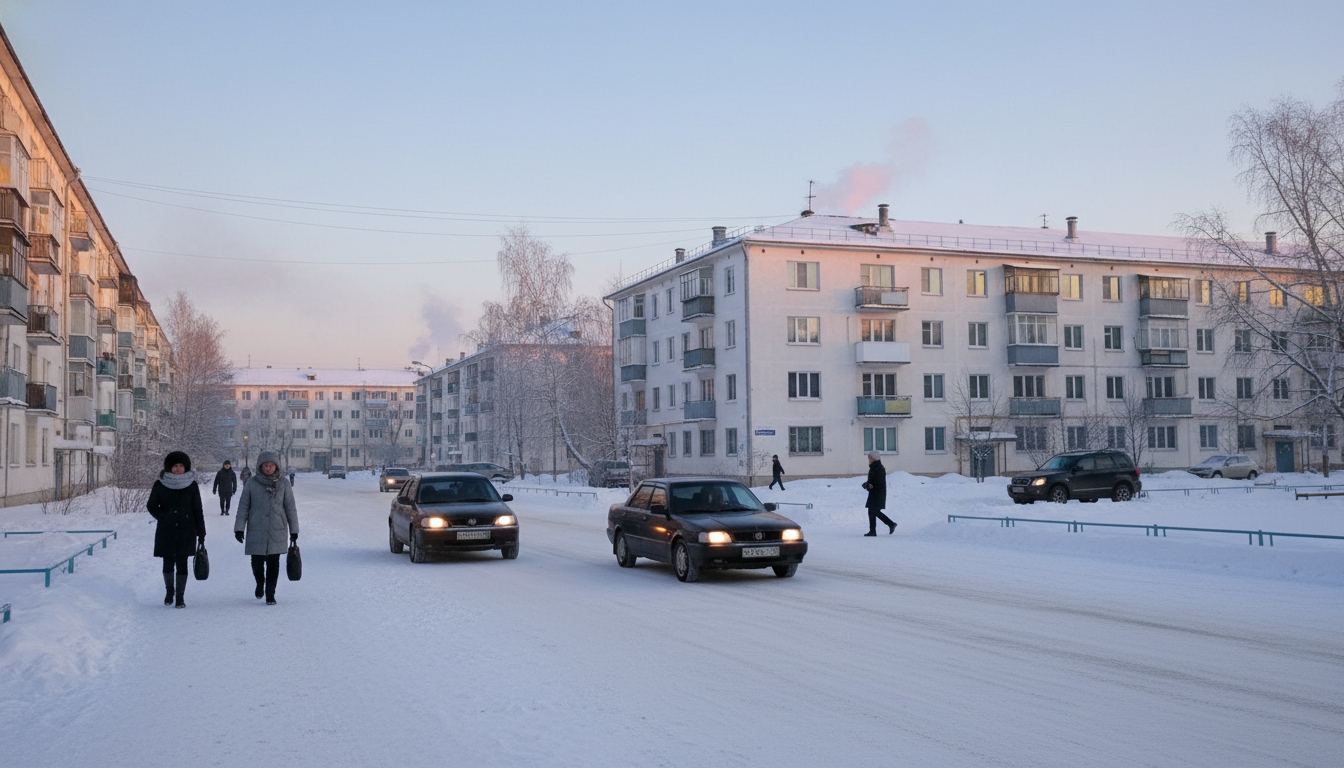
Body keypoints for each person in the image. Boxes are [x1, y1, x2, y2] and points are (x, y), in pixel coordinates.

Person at [234, 451, 299, 605]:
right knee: (257, 562)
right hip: (256, 528)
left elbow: (290, 507)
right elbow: (243, 506)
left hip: (277, 528)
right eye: (265, 466)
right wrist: (239, 528)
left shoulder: (283, 483)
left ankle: (270, 593)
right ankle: (260, 583)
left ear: (276, 466)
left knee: (273, 563)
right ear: (260, 466)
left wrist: (294, 530)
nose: (268, 468)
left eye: (271, 465)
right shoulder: (252, 483)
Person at [146, 451, 206, 608]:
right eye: (175, 466)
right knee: (167, 562)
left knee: (182, 563)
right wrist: (164, 517)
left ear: (186, 467)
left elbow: (197, 509)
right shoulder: (160, 484)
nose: (178, 469)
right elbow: (151, 505)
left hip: (187, 529)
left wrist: (201, 532)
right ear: (169, 467)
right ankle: (169, 591)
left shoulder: (192, 485)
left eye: (181, 465)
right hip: (166, 530)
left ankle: (180, 596)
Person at [862, 450, 896, 536]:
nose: (868, 459)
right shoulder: (874, 467)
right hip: (875, 492)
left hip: (877, 493)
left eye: (869, 458)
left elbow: (878, 482)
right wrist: (867, 484)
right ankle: (873, 530)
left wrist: (870, 485)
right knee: (872, 511)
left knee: (874, 511)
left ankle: (890, 524)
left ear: (873, 458)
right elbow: (872, 480)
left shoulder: (879, 468)